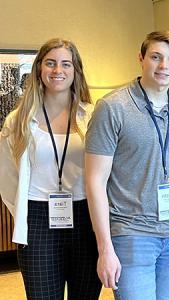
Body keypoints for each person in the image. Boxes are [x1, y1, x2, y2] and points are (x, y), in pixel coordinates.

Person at [85, 31, 169, 300]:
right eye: (156, 57)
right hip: (131, 235)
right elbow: (95, 181)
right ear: (141, 58)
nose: (164, 66)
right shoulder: (112, 108)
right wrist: (105, 248)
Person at [0, 38, 101, 299]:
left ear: (76, 70)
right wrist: (24, 211)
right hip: (38, 221)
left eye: (66, 64)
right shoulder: (19, 119)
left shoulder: (92, 116)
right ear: (39, 69)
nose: (58, 70)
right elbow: (7, 177)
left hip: (87, 217)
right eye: (51, 63)